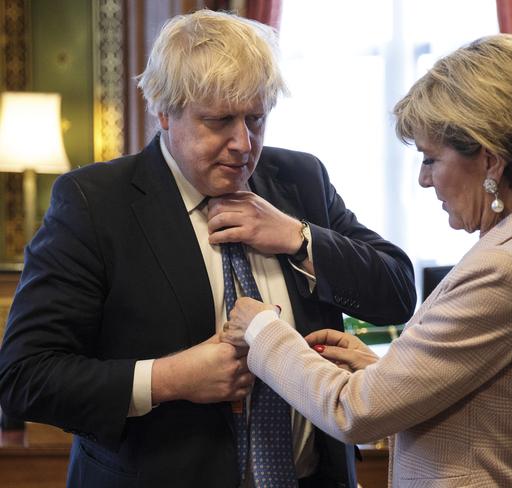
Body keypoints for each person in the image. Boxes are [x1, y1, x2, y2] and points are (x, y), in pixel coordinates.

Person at [0, 10, 416, 488]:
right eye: (219, 121)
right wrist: (169, 379)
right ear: (164, 113)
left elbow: (398, 292)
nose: (243, 143)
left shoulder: (300, 181)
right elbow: (25, 377)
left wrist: (298, 237)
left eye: (256, 119)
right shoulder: (95, 203)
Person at [220, 33, 512, 487]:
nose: (422, 179)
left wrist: (263, 331)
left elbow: (351, 411)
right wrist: (385, 375)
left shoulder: (508, 268)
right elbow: (480, 407)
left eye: (431, 159)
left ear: (490, 160)